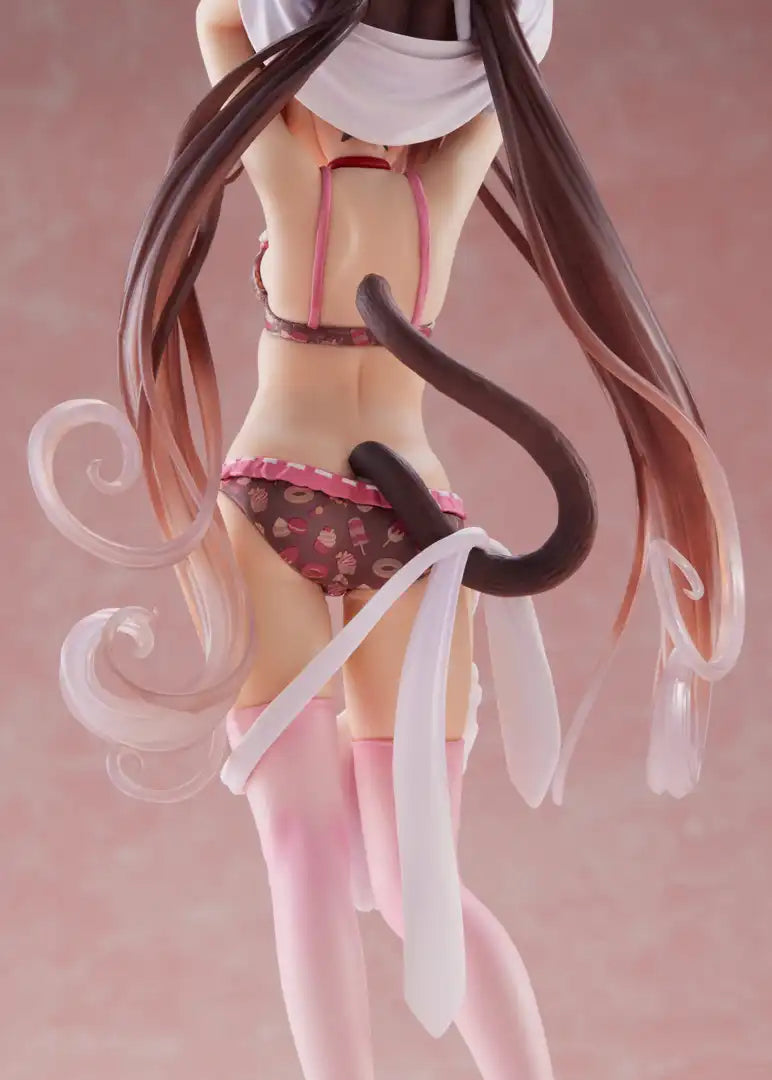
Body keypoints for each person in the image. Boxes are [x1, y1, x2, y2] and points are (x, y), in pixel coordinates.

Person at [27, 2, 744, 1077]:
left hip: (276, 499)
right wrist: (492, 32)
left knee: (306, 855)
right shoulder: (437, 190)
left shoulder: (291, 173)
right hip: (416, 528)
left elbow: (220, 26)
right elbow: (510, 73)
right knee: (417, 879)